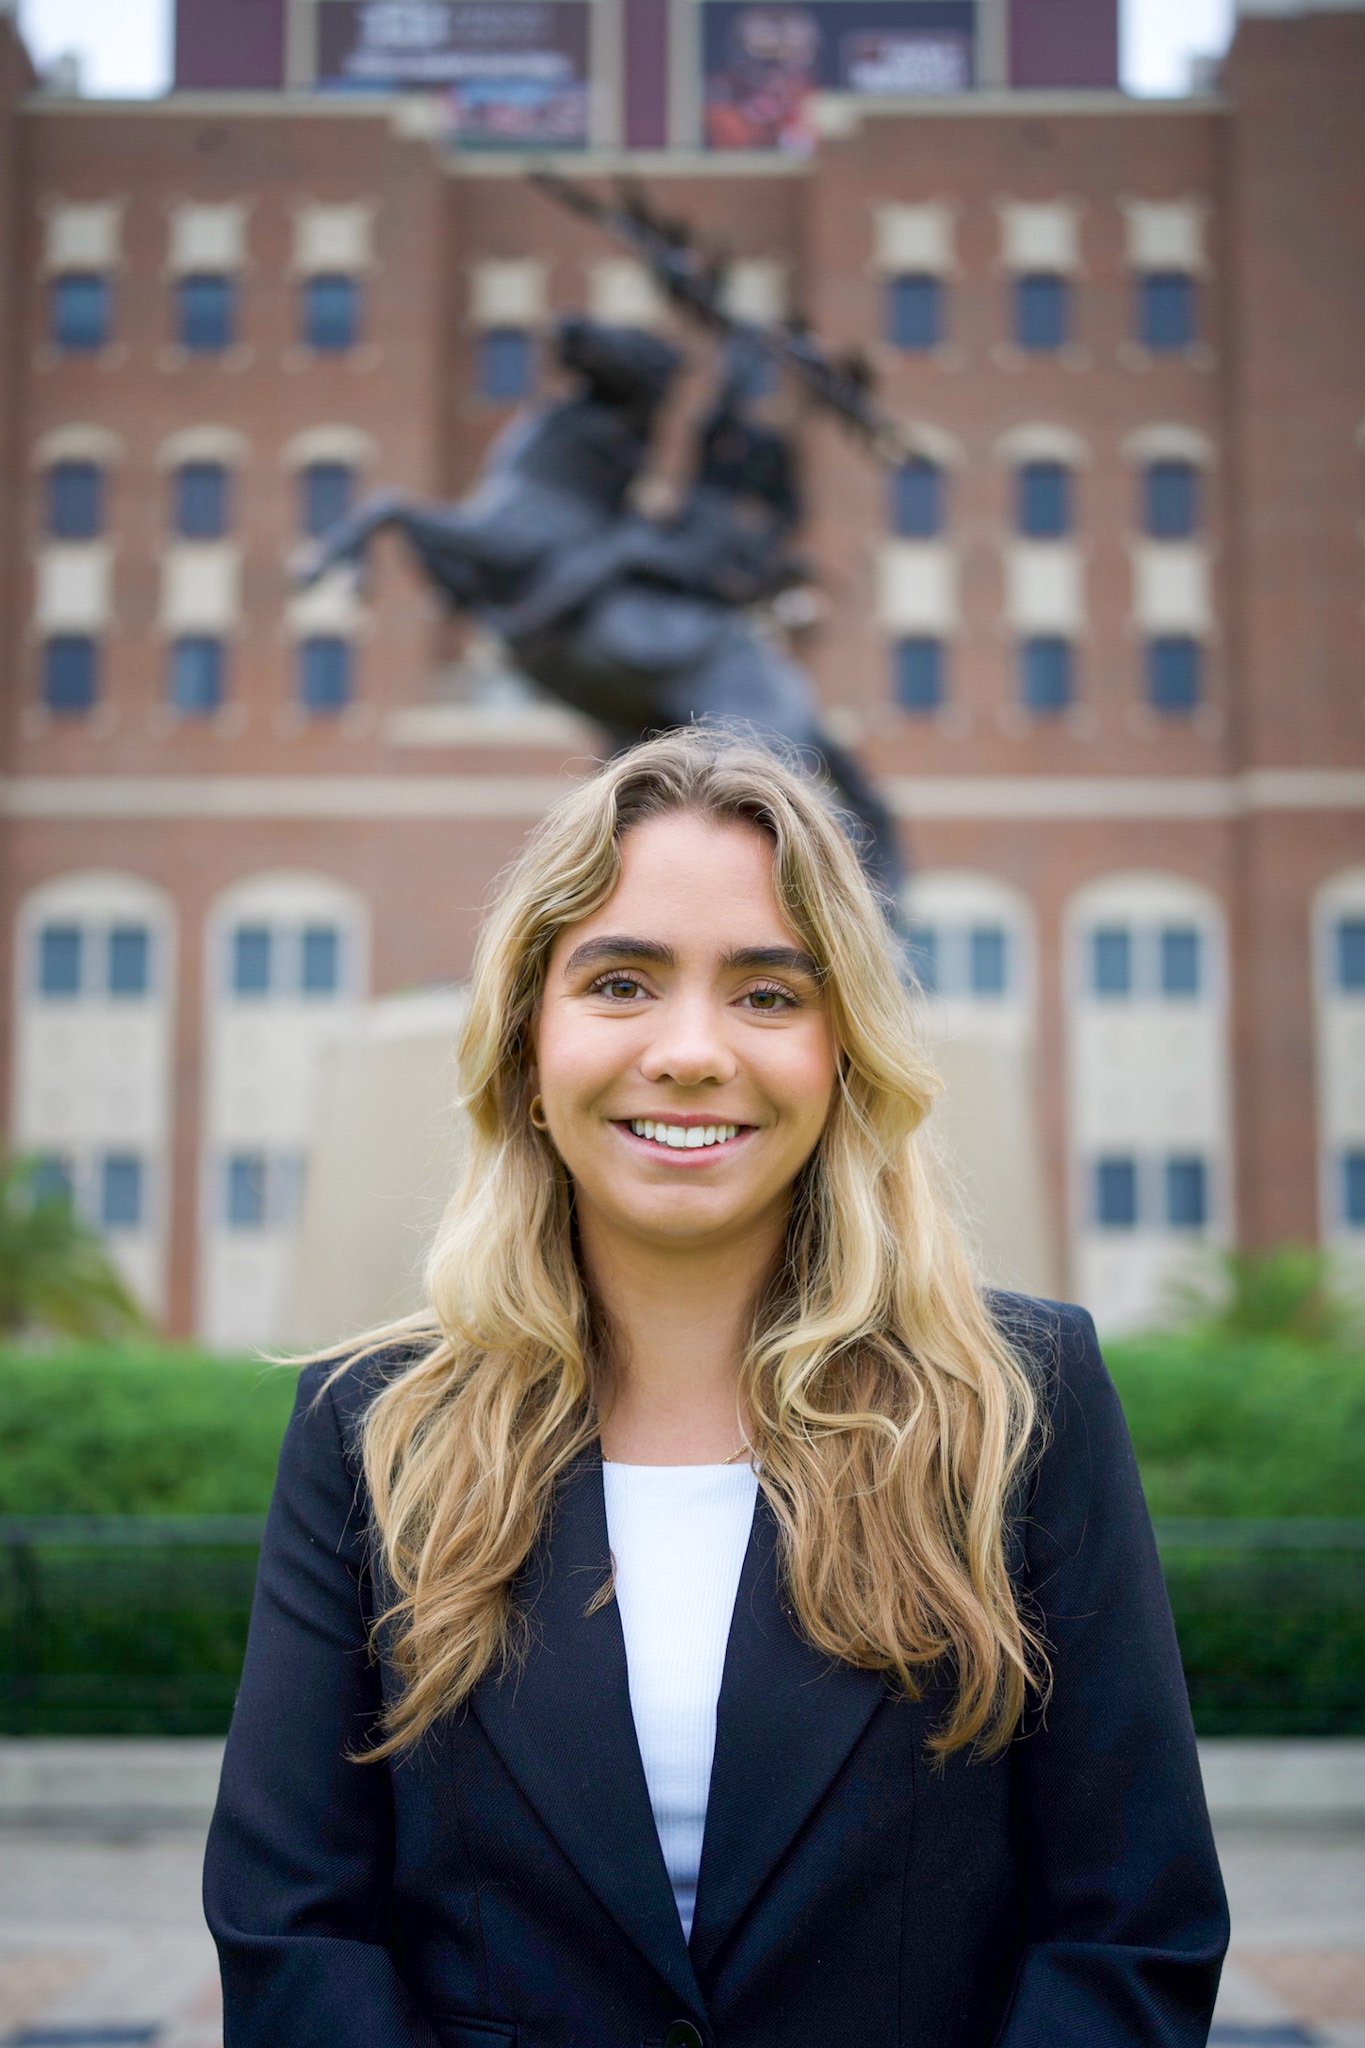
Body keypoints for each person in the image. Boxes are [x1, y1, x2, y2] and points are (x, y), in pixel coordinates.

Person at [203, 727, 1229, 2048]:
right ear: (527, 1043)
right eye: (620, 982)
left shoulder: (1018, 1404)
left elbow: (1126, 1931)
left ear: (843, 1050)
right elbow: (298, 1937)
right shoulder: (372, 1428)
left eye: (765, 994)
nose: (690, 1051)